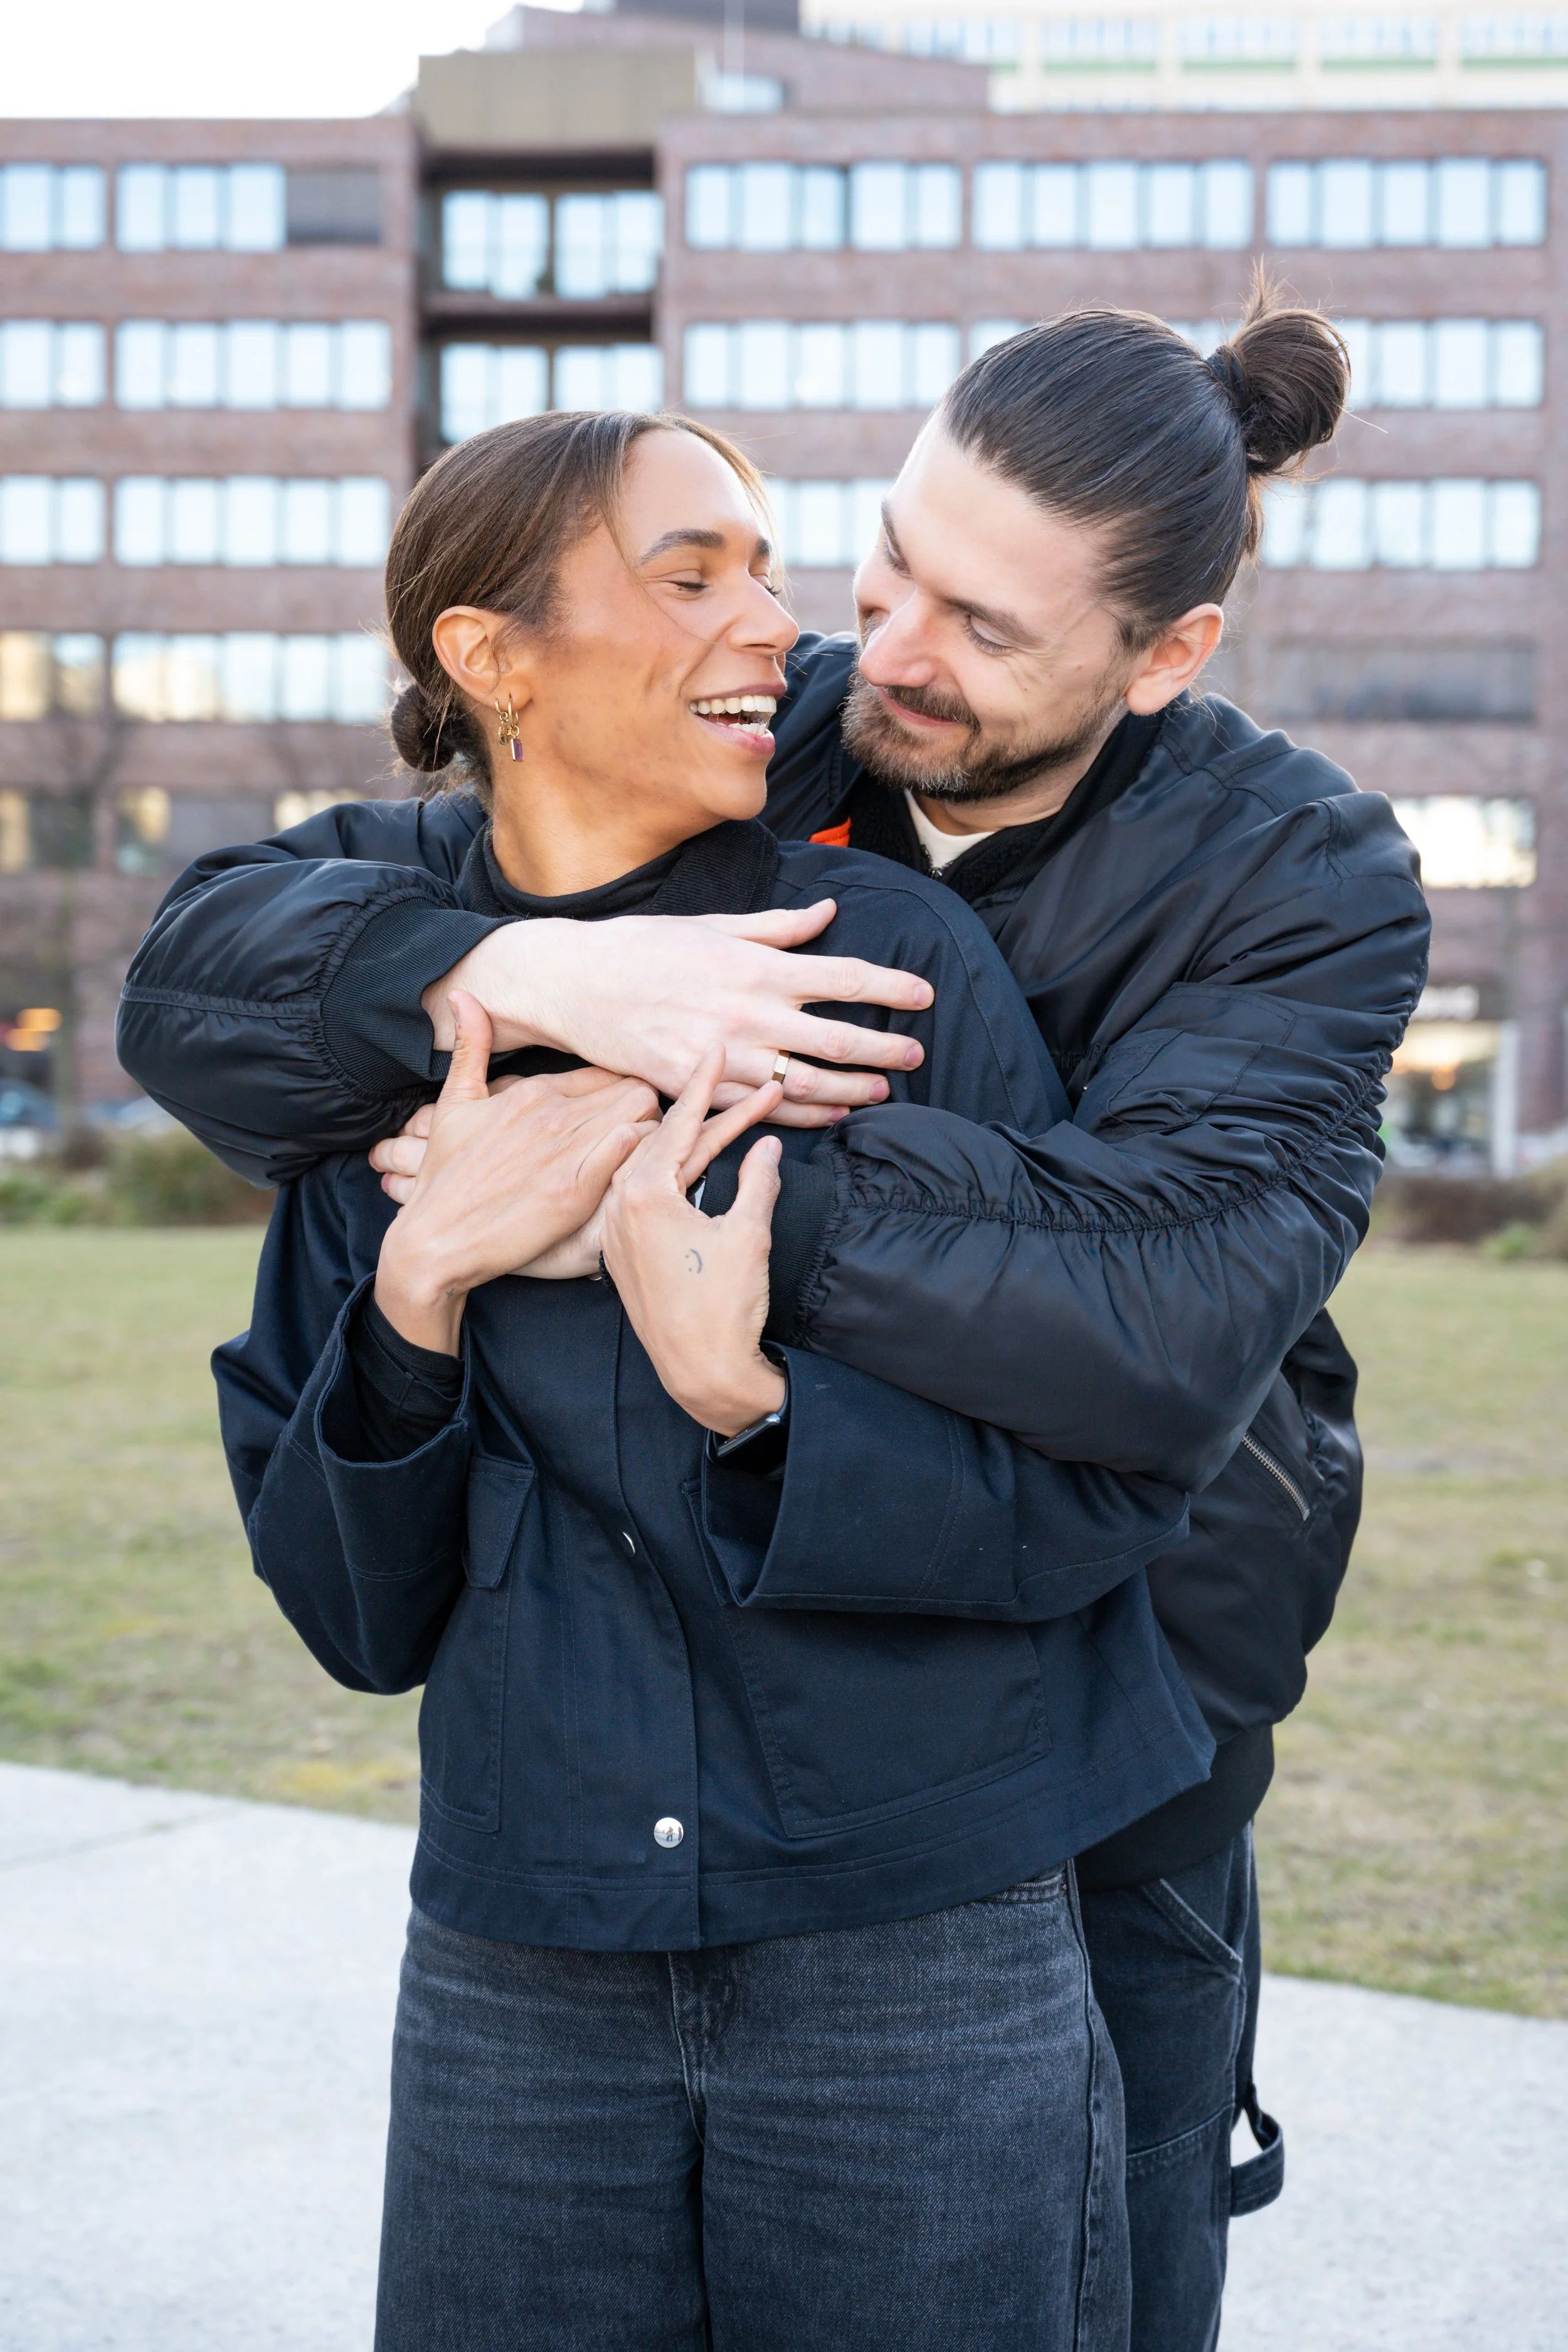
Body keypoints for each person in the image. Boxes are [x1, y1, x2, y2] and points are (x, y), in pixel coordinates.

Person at [120, 290, 1431, 2352]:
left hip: (1114, 1737)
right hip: (630, 1805)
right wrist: (528, 986)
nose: (883, 652)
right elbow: (215, 974)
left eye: (984, 630)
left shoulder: (1302, 874)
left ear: (1164, 655)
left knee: (1102, 2279)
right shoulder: (748, 720)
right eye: (890, 559)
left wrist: (654, 1168)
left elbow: (1160, 1308)